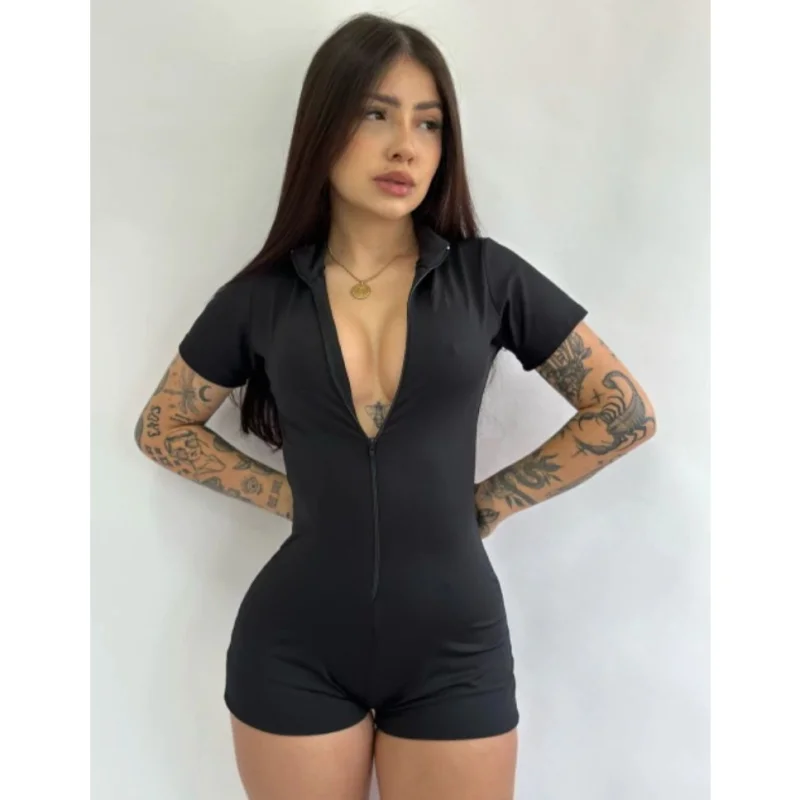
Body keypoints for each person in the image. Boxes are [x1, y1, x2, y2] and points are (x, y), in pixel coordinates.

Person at [134, 12, 657, 800]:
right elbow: (162, 426)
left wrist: (491, 502)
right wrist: (288, 495)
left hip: (455, 652)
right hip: (294, 647)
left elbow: (621, 413)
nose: (405, 146)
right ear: (324, 125)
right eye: (376, 114)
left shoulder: (488, 279)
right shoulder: (260, 299)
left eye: (429, 122)